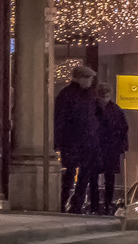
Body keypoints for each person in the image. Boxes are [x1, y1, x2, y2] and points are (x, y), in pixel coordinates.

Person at [53, 65, 101, 214]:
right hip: (74, 141)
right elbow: (60, 119)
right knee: (71, 174)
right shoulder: (70, 95)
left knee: (80, 174)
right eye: (89, 78)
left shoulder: (85, 95)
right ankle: (66, 202)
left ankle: (75, 203)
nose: (91, 82)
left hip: (82, 141)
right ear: (80, 78)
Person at [96, 84, 129, 213]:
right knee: (93, 176)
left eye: (106, 96)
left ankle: (108, 202)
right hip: (97, 147)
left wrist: (123, 146)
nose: (104, 99)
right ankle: (96, 202)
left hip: (111, 148)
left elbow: (123, 129)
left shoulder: (116, 111)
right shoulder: (94, 108)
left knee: (109, 177)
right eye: (102, 96)